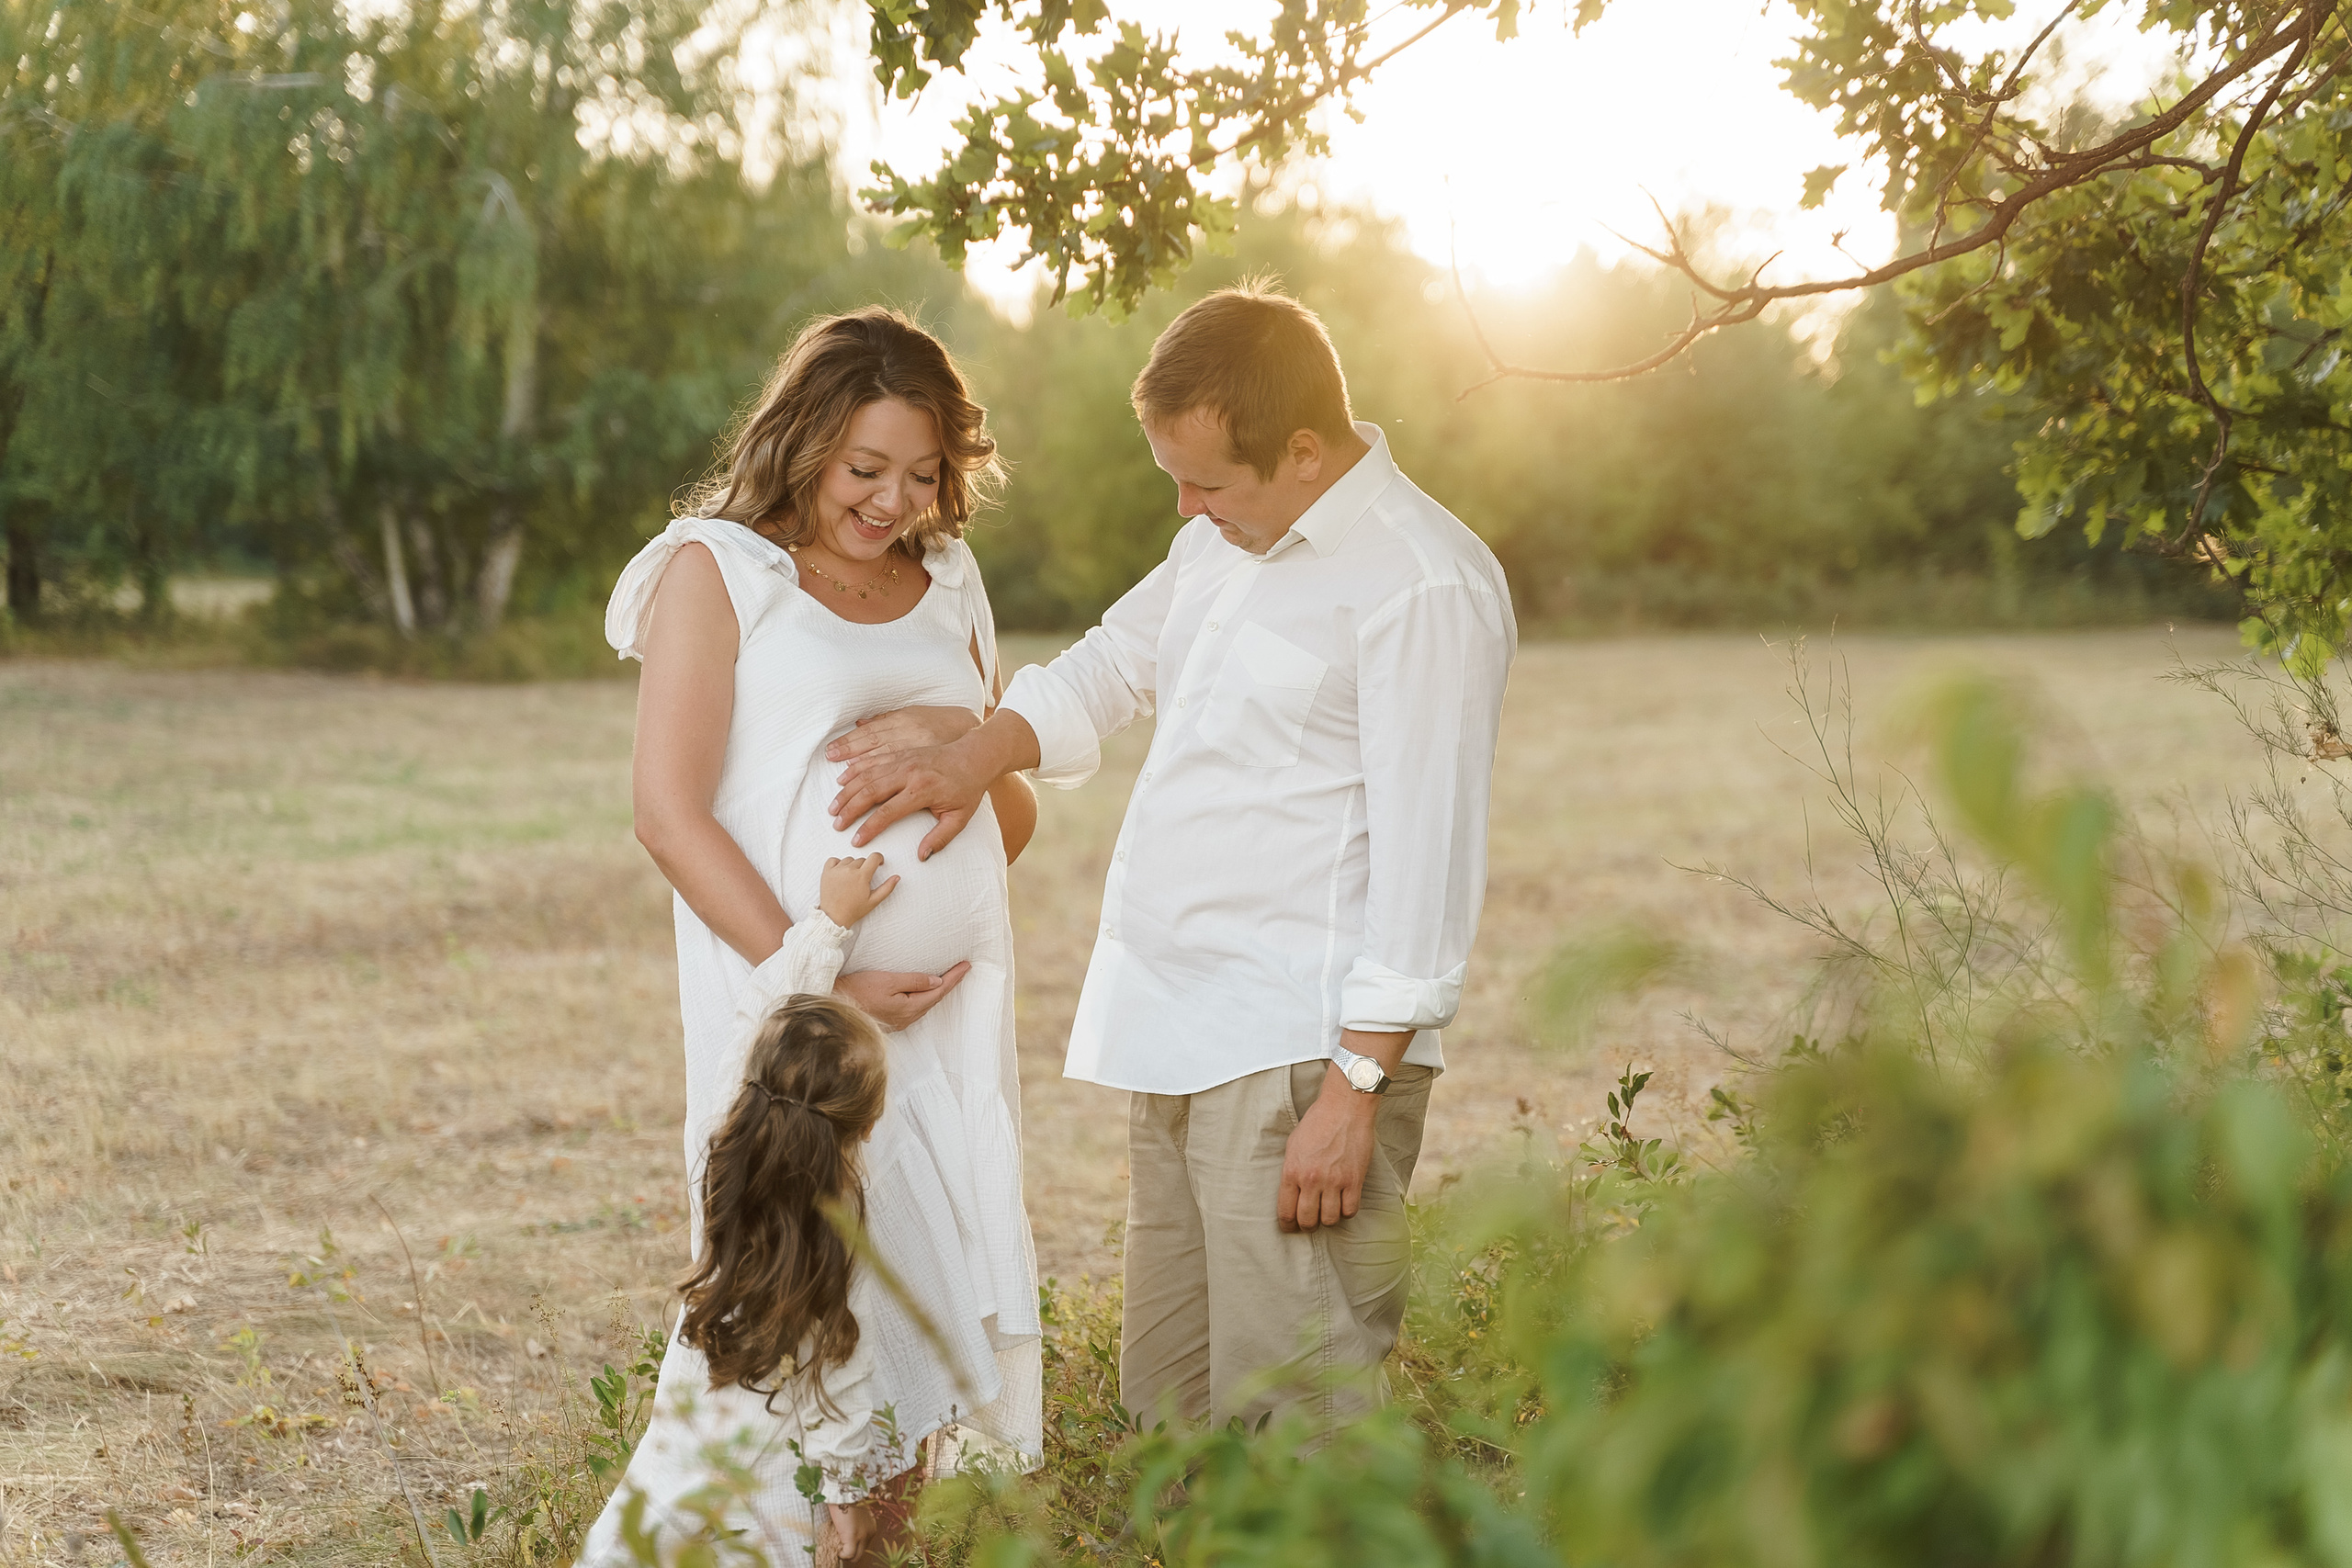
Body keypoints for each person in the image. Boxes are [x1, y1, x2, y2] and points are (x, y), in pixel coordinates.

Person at [828, 280, 1517, 1435]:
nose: (1187, 509)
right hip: (1174, 1029)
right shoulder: (1224, 539)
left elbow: (1428, 860)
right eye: (1174, 481)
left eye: (1207, 482)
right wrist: (972, 752)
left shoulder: (1421, 583)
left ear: (1303, 451)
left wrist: (1356, 1088)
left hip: (1299, 1054)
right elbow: (1112, 665)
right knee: (1172, 1414)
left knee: (1298, 1419)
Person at [579, 308, 1044, 1561]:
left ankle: (861, 1544)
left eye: (925, 472)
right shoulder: (716, 571)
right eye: (865, 469)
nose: (895, 501)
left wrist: (957, 742)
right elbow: (669, 817)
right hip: (799, 1012)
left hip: (944, 1021)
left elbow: (1012, 809)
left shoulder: (950, 582)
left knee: (915, 1336)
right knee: (793, 1322)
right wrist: (826, 974)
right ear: (804, 439)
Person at [583, 855, 900, 1562]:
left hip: (693, 1416)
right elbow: (842, 1377)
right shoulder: (840, 1231)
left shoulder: (720, 1149)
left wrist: (830, 922)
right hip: (772, 1464)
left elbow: (758, 1013)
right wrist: (846, 1495)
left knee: (653, 1525)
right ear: (866, 1127)